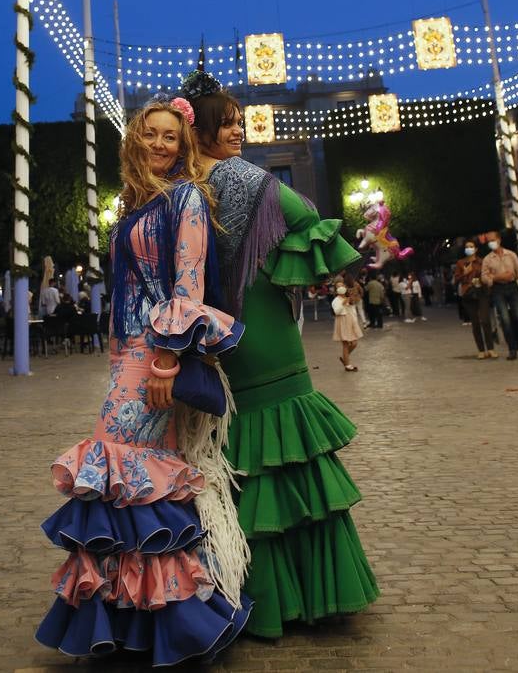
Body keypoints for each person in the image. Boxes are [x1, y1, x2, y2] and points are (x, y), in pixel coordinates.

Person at [35, 100, 251, 664]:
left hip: (155, 355)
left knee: (124, 472)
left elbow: (188, 283)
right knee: (135, 481)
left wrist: (165, 361)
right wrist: (121, 355)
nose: (160, 145)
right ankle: (148, 620)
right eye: (151, 135)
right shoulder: (134, 205)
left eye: (171, 138)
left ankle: (166, 619)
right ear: (136, 140)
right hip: (128, 352)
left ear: (183, 145)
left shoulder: (186, 199)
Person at [183, 70, 379, 639]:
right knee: (290, 455)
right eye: (227, 122)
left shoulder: (184, 186)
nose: (237, 130)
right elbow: (308, 220)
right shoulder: (245, 178)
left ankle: (259, 599)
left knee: (246, 456)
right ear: (205, 130)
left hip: (220, 331)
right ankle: (319, 591)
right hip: (265, 326)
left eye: (238, 121)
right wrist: (276, 265)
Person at [481, 231, 518, 361]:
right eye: (488, 241)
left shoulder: (511, 255)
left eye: (493, 240)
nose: (491, 243)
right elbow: (484, 278)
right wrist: (497, 277)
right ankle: (512, 349)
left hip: (512, 287)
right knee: (505, 319)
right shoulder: (487, 259)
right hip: (498, 289)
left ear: (499, 240)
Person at [454, 239, 496, 359]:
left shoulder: (482, 262)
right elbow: (456, 280)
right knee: (475, 323)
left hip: (482, 292)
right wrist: (465, 273)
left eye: (471, 246)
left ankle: (491, 348)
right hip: (468, 293)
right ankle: (481, 350)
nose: (469, 249)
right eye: (467, 247)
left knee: (485, 320)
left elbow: (488, 274)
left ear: (476, 249)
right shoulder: (460, 263)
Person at [332, 279, 363, 370]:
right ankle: (347, 365)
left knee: (354, 343)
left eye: (342, 286)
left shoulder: (349, 297)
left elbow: (353, 309)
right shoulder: (336, 300)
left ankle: (345, 358)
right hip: (342, 321)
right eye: (338, 286)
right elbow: (337, 312)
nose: (341, 288)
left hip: (351, 321)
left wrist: (351, 298)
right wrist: (343, 303)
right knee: (345, 344)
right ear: (336, 289)